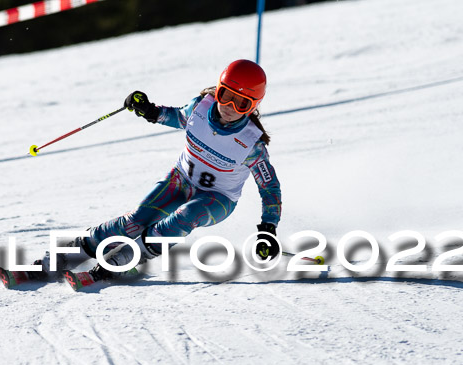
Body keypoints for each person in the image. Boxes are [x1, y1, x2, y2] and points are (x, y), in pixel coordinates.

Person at [27, 59, 282, 287]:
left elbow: (269, 189)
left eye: (241, 103)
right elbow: (176, 117)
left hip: (217, 198)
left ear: (253, 106)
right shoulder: (199, 108)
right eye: (225, 95)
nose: (229, 107)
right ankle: (67, 254)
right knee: (135, 221)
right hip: (180, 180)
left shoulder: (251, 144)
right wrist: (148, 110)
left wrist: (268, 229)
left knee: (185, 215)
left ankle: (127, 259)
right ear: (218, 89)